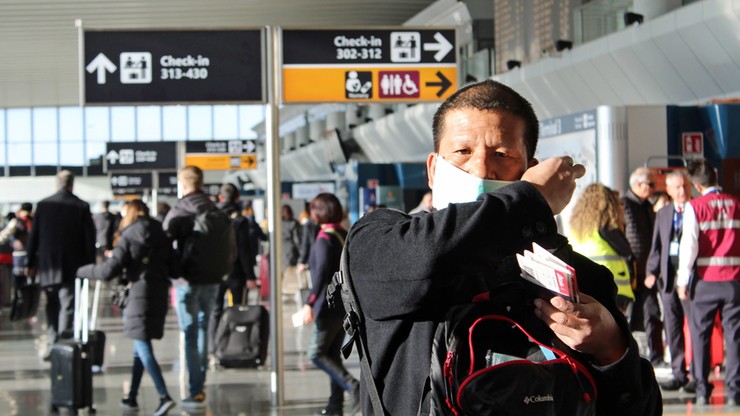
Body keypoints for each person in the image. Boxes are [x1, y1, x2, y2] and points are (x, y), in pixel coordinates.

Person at [346, 80, 661, 415]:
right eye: (462, 152)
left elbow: (641, 408)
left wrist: (612, 351)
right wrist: (531, 199)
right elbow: (426, 261)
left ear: (530, 168)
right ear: (433, 169)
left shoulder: (579, 277)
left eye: (502, 154)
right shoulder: (381, 240)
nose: (481, 168)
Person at [76, 199, 176, 416]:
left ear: (129, 213)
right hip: (158, 293)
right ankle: (131, 396)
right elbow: (174, 265)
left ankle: (163, 396)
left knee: (142, 345)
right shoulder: (160, 232)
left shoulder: (129, 234)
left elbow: (109, 270)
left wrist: (83, 271)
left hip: (138, 294)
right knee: (140, 345)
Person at [162, 166, 232, 409]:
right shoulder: (214, 208)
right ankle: (199, 384)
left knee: (190, 332)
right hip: (213, 278)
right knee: (203, 327)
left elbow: (164, 242)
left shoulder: (180, 209)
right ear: (201, 183)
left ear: (182, 184)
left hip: (186, 281)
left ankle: (196, 389)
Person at [676, 158, 739, 407]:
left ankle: (703, 390)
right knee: (734, 337)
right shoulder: (736, 204)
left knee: (700, 335)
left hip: (705, 282)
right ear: (715, 176)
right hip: (734, 281)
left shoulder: (695, 207)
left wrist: (682, 280)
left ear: (696, 185)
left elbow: (688, 247)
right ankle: (735, 390)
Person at [25, 170, 96, 359]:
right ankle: (63, 345)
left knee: (51, 304)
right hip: (73, 264)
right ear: (72, 185)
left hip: (47, 264)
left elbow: (35, 236)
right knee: (68, 302)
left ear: (56, 184)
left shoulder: (43, 205)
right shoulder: (81, 206)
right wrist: (91, 266)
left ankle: (52, 343)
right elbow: (89, 238)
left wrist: (30, 261)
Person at [301, 193, 359, 415]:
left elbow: (321, 276)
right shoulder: (344, 234)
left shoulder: (324, 239)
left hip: (326, 306)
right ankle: (334, 406)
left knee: (316, 354)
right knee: (333, 355)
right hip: (343, 306)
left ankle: (352, 385)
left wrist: (309, 302)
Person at [646, 170, 695, 392]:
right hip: (668, 279)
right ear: (668, 190)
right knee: (672, 327)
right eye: (677, 187)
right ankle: (678, 372)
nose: (682, 191)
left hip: (692, 280)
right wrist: (651, 271)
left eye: (684, 186)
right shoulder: (664, 213)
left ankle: (696, 372)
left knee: (695, 327)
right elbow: (657, 246)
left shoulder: (697, 208)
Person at [569, 183, 636, 318]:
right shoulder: (605, 222)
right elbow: (625, 249)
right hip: (612, 283)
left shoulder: (575, 225)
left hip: (584, 282)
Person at [622, 167, 664, 367]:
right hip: (631, 273)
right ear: (639, 185)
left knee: (651, 314)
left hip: (649, 272)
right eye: (651, 184)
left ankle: (655, 358)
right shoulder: (625, 205)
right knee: (628, 318)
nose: (654, 189)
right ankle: (628, 358)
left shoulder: (648, 206)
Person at [208, 183, 257, 356]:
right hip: (236, 272)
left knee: (215, 311)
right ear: (237, 198)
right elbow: (244, 249)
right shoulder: (240, 220)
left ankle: (214, 348)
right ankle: (235, 346)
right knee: (238, 310)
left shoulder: (212, 216)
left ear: (220, 198)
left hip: (215, 272)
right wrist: (250, 275)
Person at [0, 203, 34, 290]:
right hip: (34, 256)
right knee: (32, 283)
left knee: (18, 283)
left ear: (22, 209)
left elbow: (3, 236)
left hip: (19, 255)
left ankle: (18, 301)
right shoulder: (35, 220)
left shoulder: (16, 221)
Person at [281, 204, 302, 296]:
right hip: (290, 250)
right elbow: (297, 239)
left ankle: (280, 289)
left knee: (281, 271)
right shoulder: (294, 223)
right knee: (290, 272)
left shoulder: (278, 222)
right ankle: (288, 290)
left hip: (280, 249)